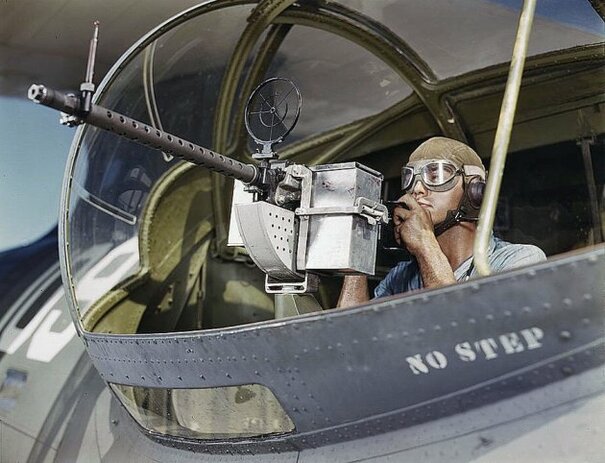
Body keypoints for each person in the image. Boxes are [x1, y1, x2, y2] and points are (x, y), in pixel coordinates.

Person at [337, 136, 546, 308]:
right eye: (410, 178)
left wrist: (424, 244)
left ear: (474, 190)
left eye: (435, 175)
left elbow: (457, 327)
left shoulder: (518, 261)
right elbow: (350, 335)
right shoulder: (401, 277)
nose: (417, 189)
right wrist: (358, 251)